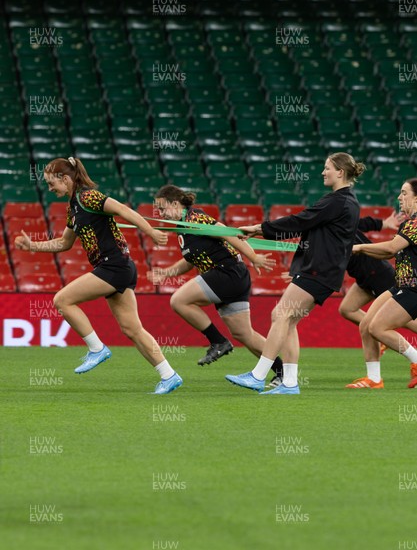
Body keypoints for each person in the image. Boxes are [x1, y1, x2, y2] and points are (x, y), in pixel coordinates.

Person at [14, 157, 183, 395]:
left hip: (113, 266)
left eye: (52, 183)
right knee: (133, 329)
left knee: (62, 300)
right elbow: (64, 243)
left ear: (66, 178)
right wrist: (33, 245)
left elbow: (123, 210)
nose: (50, 189)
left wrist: (150, 231)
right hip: (118, 268)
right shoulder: (73, 207)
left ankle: (97, 348)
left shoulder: (88, 197)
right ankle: (169, 375)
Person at [225, 152, 364, 395]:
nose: (323, 172)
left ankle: (258, 375)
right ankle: (289, 383)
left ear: (340, 172)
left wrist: (259, 229)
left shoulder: (337, 201)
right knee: (287, 321)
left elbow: (300, 221)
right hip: (323, 272)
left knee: (280, 314)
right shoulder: (347, 202)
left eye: (327, 167)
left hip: (319, 271)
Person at [147, 184, 284, 380]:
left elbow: (226, 232)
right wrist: (166, 273)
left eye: (162, 208)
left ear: (175, 204)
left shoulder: (194, 218)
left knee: (179, 300)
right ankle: (283, 372)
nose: (160, 213)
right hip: (232, 276)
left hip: (226, 273)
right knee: (244, 334)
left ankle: (218, 341)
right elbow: (189, 261)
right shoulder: (182, 227)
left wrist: (253, 257)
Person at [348, 178, 417, 389]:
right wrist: (357, 248)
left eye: (404, 193)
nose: (399, 197)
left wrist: (359, 248)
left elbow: (390, 249)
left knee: (378, 327)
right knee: (366, 325)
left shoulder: (415, 224)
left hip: (414, 288)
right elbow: (386, 253)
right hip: (400, 285)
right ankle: (374, 379)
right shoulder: (409, 222)